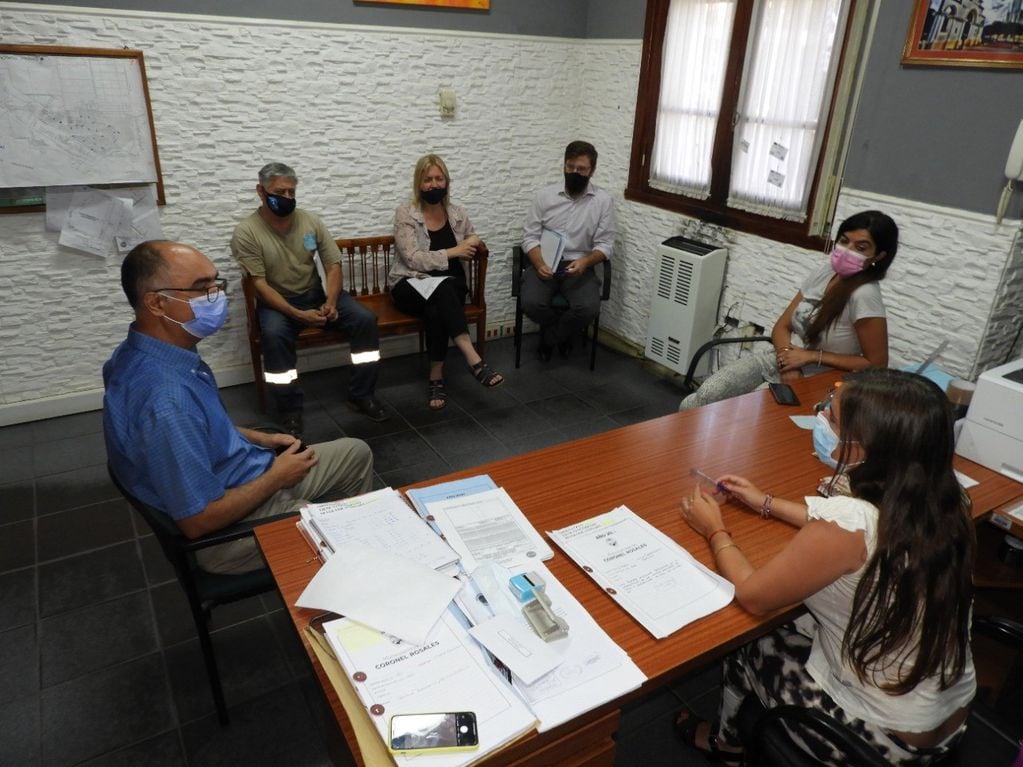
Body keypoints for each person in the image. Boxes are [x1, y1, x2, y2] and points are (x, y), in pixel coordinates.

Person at [676, 368, 976, 765]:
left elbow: (753, 595)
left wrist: (714, 528)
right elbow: (861, 528)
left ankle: (725, 743)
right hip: (946, 715)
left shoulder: (849, 524)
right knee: (801, 617)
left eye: (830, 417)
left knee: (747, 639)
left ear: (862, 448)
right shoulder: (944, 500)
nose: (821, 418)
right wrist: (765, 501)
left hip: (880, 739)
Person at [103, 240, 374, 575]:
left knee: (356, 453)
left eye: (216, 283)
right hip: (223, 533)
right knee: (327, 527)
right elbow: (197, 521)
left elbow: (196, 428)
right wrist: (276, 477)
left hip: (235, 474)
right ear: (157, 303)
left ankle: (345, 546)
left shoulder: (139, 355)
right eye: (202, 289)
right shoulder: (167, 401)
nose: (217, 296)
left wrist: (259, 439)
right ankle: (344, 565)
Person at [679, 210, 898, 410]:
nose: (847, 250)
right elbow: (782, 326)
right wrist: (788, 363)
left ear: (878, 256)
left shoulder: (865, 294)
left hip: (819, 375)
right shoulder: (826, 271)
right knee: (704, 395)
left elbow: (876, 362)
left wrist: (810, 356)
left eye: (861, 247)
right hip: (785, 357)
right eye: (844, 241)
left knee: (747, 414)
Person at [231, 162, 387, 436]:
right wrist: (296, 314)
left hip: (316, 294)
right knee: (275, 336)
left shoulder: (310, 221)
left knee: (365, 320)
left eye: (292, 192)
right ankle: (290, 411)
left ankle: (362, 394)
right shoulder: (247, 232)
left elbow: (333, 265)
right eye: (280, 192)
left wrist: (330, 301)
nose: (287, 198)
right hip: (277, 302)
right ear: (261, 191)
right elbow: (259, 285)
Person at [390, 154, 503, 410]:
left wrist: (473, 241)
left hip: (449, 288)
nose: (433, 184)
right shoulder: (406, 213)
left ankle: (436, 377)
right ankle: (472, 357)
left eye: (439, 178)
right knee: (442, 290)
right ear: (418, 183)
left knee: (438, 303)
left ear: (446, 182)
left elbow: (473, 238)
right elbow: (412, 259)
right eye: (427, 179)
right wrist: (454, 251)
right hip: (411, 284)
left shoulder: (457, 213)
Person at [521, 140, 616, 361]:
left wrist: (585, 263)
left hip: (579, 264)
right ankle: (562, 334)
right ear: (564, 166)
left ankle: (551, 337)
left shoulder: (603, 201)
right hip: (545, 261)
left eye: (581, 169)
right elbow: (529, 237)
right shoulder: (544, 196)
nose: (575, 172)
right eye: (570, 167)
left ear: (592, 171)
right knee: (531, 303)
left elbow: (605, 244)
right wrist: (538, 263)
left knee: (589, 308)